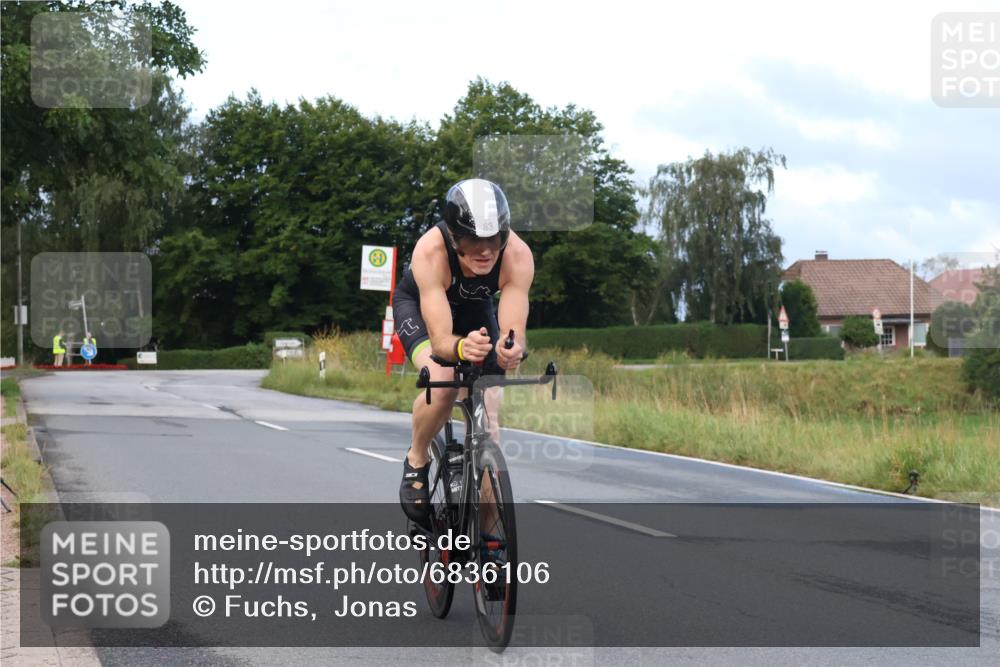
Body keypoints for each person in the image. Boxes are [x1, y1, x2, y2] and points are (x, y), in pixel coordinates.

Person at [394, 178, 534, 522]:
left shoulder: (517, 255)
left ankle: (488, 538)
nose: (485, 250)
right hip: (422, 308)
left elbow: (514, 329)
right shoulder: (431, 252)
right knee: (444, 383)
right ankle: (417, 457)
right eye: (473, 241)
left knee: (490, 413)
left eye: (494, 239)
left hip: (475, 308)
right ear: (454, 238)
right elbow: (442, 342)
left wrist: (509, 348)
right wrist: (459, 346)